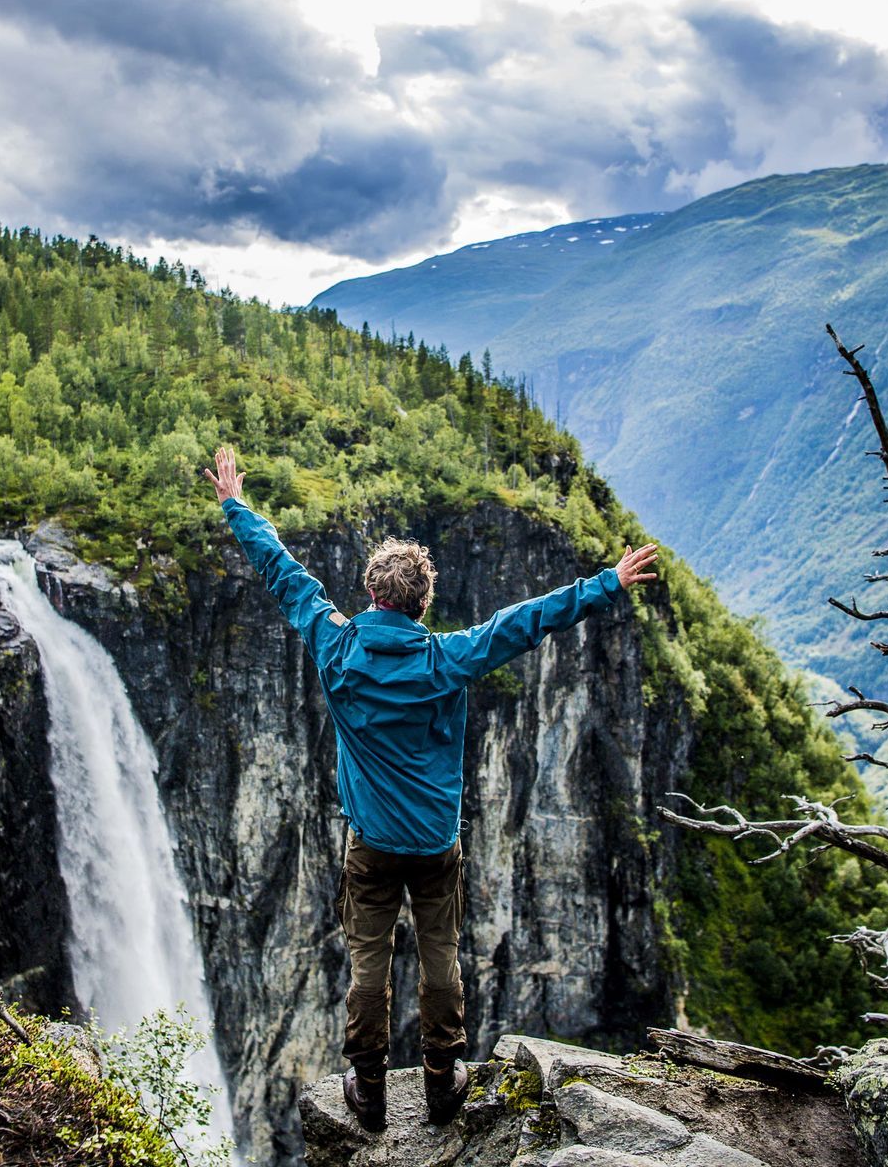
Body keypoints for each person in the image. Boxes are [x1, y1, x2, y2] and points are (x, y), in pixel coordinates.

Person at [201, 445, 660, 1131]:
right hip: (436, 846)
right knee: (441, 958)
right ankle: (443, 1084)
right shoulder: (447, 658)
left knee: (368, 965)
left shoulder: (337, 645)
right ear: (424, 604)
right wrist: (606, 583)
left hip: (371, 846)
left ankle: (370, 1091)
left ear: (371, 594)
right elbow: (524, 622)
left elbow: (283, 572)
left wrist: (236, 505)